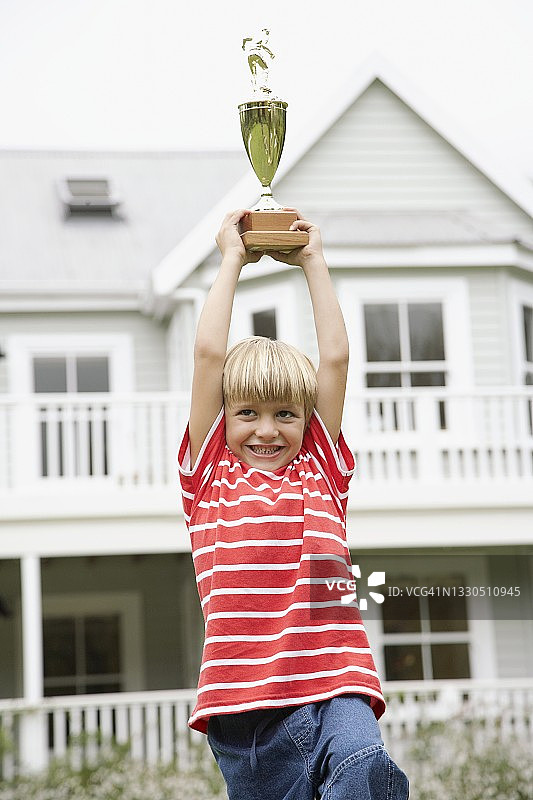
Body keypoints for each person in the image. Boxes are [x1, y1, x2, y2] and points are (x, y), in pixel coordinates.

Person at [178, 208, 409, 799]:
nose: (266, 429)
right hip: (246, 711)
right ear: (224, 418)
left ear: (306, 422)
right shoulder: (209, 479)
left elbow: (333, 360)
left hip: (336, 684)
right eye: (247, 413)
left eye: (285, 414)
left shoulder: (320, 473)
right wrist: (231, 257)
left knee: (365, 769)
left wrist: (312, 260)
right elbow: (209, 356)